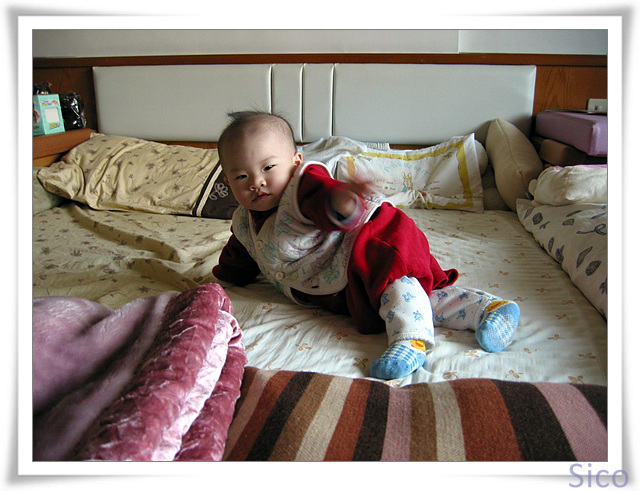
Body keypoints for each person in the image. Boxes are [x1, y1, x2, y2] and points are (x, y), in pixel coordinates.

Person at [213, 111, 520, 380]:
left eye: (268, 168)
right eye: (241, 176)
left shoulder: (303, 187)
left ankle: (410, 340)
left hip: (373, 239)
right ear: (227, 181)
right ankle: (485, 309)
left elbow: (323, 200)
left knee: (395, 285)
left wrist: (342, 202)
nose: (256, 182)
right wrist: (224, 279)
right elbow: (243, 254)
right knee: (395, 301)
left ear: (296, 162)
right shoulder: (244, 221)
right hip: (340, 275)